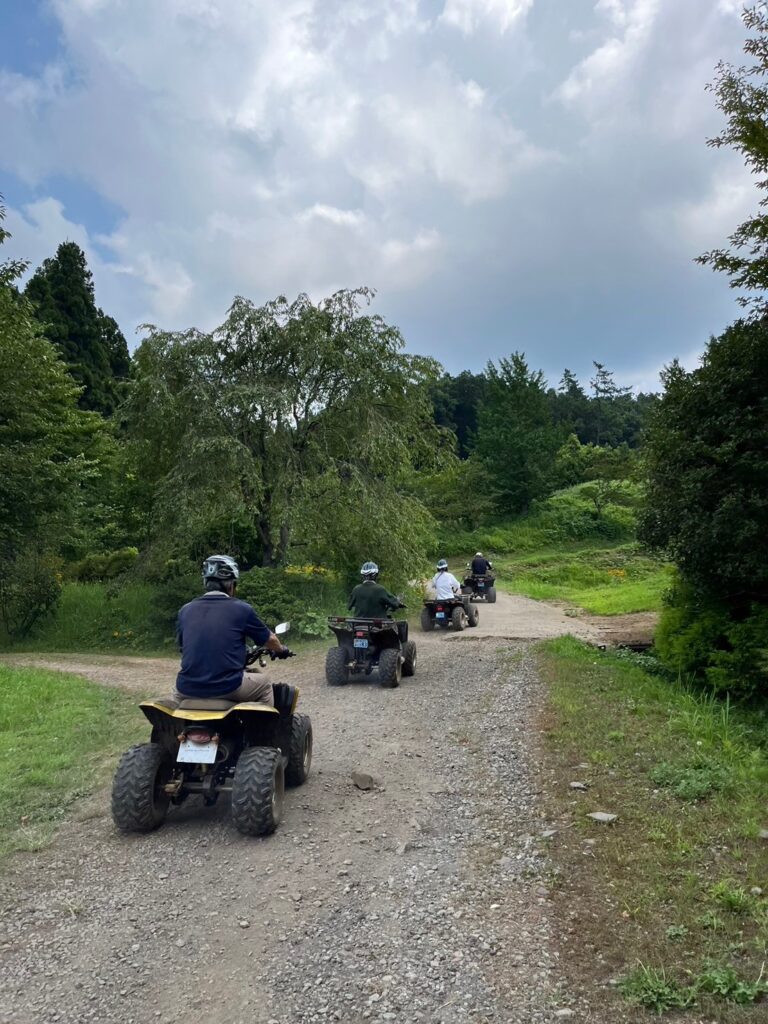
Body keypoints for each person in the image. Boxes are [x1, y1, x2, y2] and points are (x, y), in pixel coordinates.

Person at [172, 554, 287, 707]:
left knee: (173, 703)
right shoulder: (241, 609)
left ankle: (178, 729)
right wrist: (281, 650)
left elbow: (182, 647)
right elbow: (270, 640)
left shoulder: (185, 611)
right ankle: (263, 730)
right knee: (265, 684)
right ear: (231, 585)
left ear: (206, 583)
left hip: (186, 688)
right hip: (228, 687)